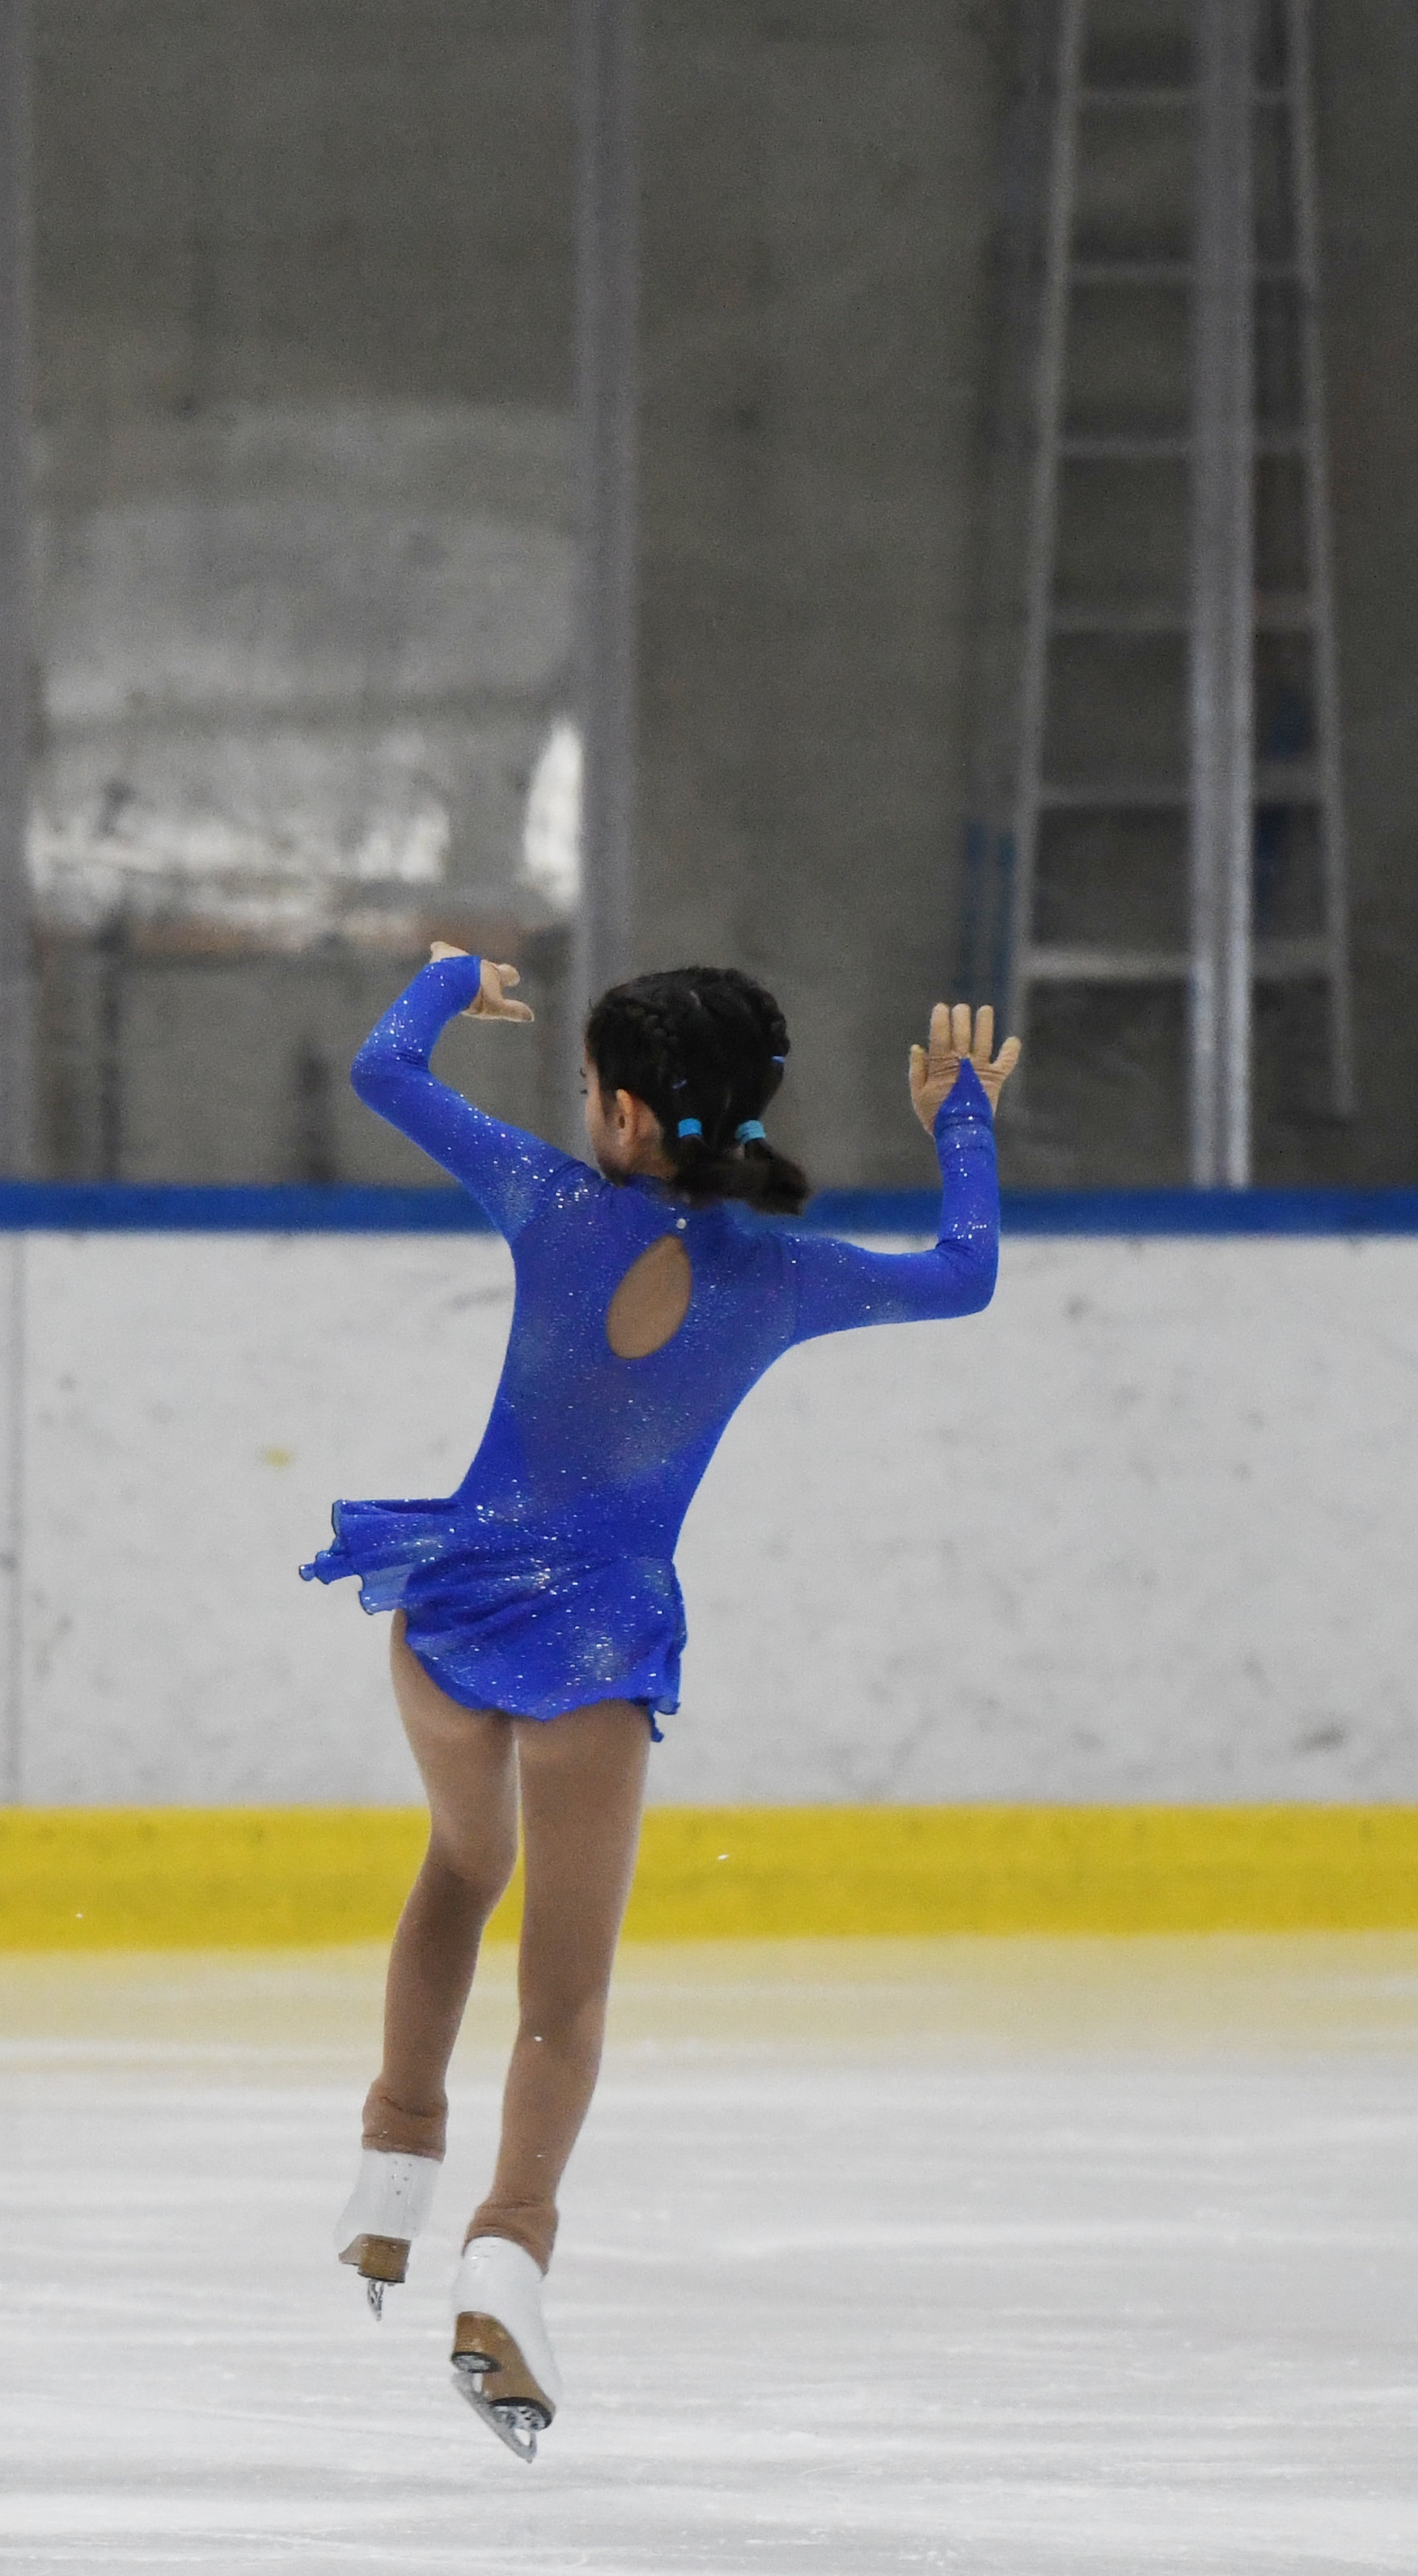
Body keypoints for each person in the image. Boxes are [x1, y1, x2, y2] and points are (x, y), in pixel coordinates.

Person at [304, 942, 1010, 2458]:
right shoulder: (787, 1276)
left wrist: (447, 980)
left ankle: (390, 2172)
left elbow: (382, 1070)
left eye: (585, 1091)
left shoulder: (552, 1203)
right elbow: (965, 1275)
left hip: (452, 1607)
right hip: (594, 1655)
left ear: (623, 1113)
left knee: (460, 1866)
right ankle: (506, 2254)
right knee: (564, 1995)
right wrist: (959, 1119)